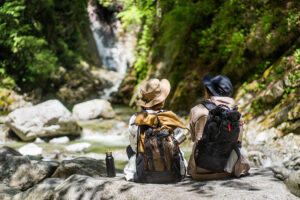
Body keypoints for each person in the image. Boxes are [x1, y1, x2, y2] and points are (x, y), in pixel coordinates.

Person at [188, 74, 250, 180]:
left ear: (209, 91)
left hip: (200, 171)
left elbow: (194, 139)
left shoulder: (197, 110)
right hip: (228, 170)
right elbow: (238, 142)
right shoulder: (236, 114)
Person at [124, 78, 187, 182]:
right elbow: (178, 142)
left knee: (129, 149)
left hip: (145, 172)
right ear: (162, 101)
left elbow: (134, 146)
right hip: (172, 171)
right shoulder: (169, 117)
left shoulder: (137, 119)